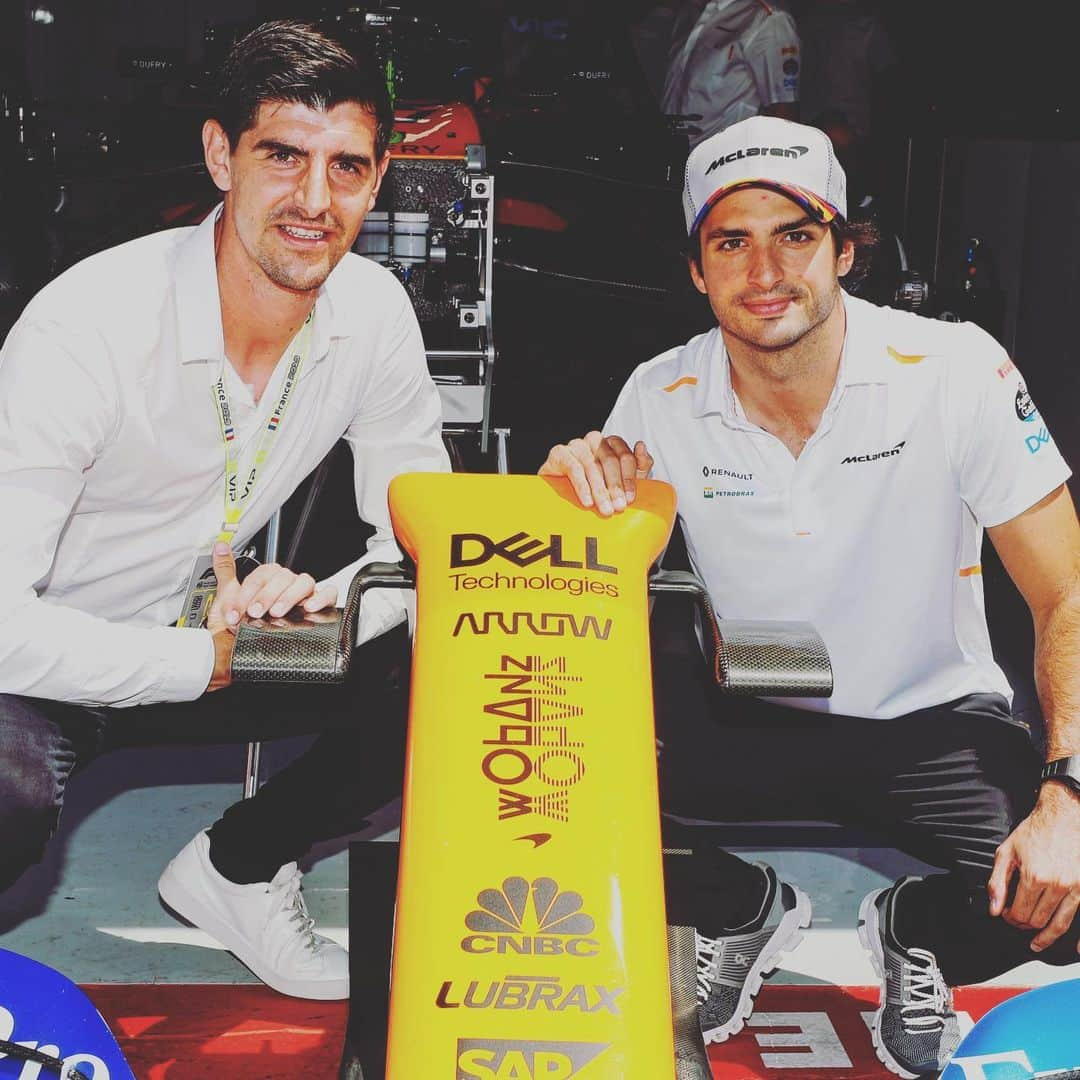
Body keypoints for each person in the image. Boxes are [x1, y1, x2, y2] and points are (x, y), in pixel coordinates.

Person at [540, 114, 1080, 1077]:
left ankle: (922, 934)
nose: (765, 272)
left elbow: (1066, 589)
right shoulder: (657, 395)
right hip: (743, 717)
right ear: (696, 271)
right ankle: (740, 912)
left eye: (795, 234)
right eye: (730, 242)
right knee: (547, 809)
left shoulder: (955, 369)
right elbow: (580, 594)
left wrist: (1069, 792)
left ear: (844, 249)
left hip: (931, 720)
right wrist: (576, 486)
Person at [0, 21, 449, 1000]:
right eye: (282, 157)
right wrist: (197, 658)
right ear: (220, 155)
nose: (314, 201)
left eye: (347, 168)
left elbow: (423, 542)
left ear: (379, 182)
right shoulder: (90, 327)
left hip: (211, 637)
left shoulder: (370, 314)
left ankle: (239, 870)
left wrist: (319, 600)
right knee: (6, 787)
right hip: (36, 670)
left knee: (449, 655)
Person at [660, 0, 800, 146]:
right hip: (667, 154)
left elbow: (784, 116)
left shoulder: (768, 21)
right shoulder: (688, 11)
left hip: (720, 161)